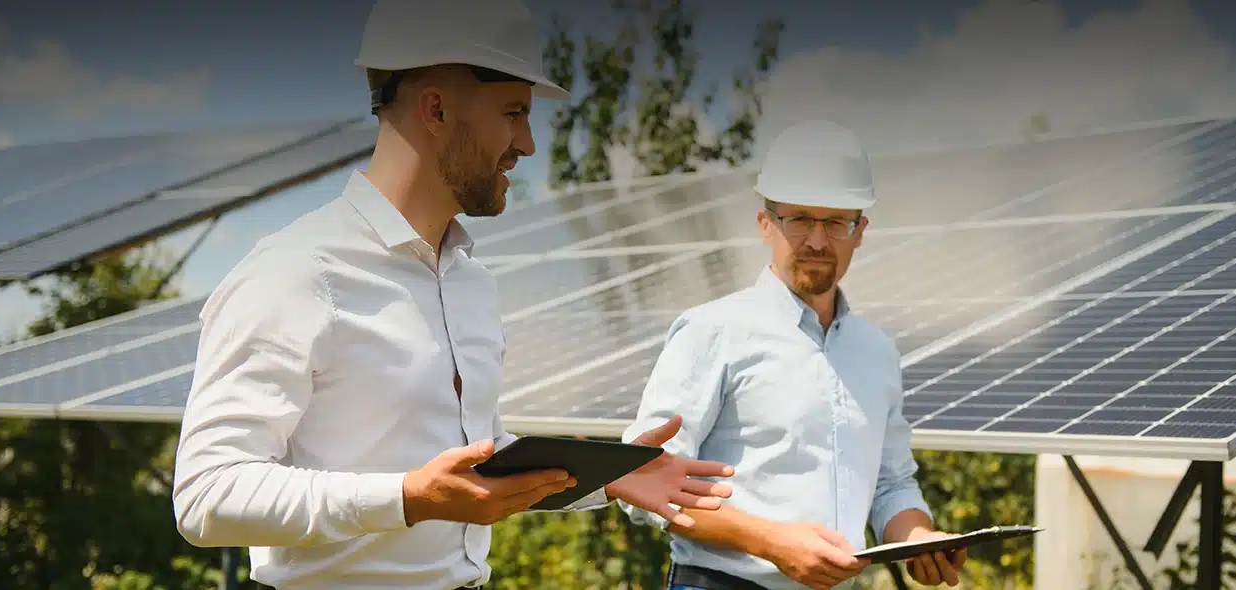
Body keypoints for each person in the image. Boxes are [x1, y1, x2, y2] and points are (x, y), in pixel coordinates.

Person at [171, 1, 734, 588]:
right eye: (514, 113)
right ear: (436, 109)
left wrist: (602, 477)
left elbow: (470, 468)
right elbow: (206, 495)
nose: (528, 144)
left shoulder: (470, 281)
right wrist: (410, 498)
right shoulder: (295, 273)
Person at [618, 120, 968, 590]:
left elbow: (892, 485)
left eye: (836, 222)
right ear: (766, 223)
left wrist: (921, 538)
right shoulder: (712, 332)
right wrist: (770, 542)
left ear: (860, 230)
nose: (818, 242)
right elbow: (644, 482)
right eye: (800, 219)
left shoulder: (876, 352)